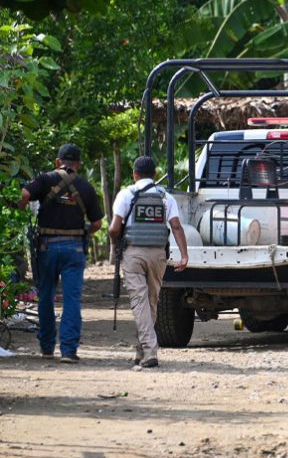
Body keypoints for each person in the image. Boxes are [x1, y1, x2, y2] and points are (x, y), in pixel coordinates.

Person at [19, 143, 103, 363]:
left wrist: (20, 209)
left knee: (46, 296)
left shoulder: (45, 180)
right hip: (74, 248)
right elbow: (97, 223)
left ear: (58, 162)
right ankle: (68, 351)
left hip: (46, 246)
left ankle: (47, 347)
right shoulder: (85, 187)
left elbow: (25, 193)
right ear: (79, 165)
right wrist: (82, 231)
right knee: (72, 299)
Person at [108, 156, 188, 369]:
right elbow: (177, 227)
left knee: (139, 301)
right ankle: (142, 350)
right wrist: (184, 255)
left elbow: (114, 228)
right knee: (151, 301)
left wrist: (115, 244)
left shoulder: (127, 194)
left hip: (133, 253)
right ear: (154, 175)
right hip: (158, 255)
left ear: (134, 174)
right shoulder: (165, 197)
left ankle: (150, 351)